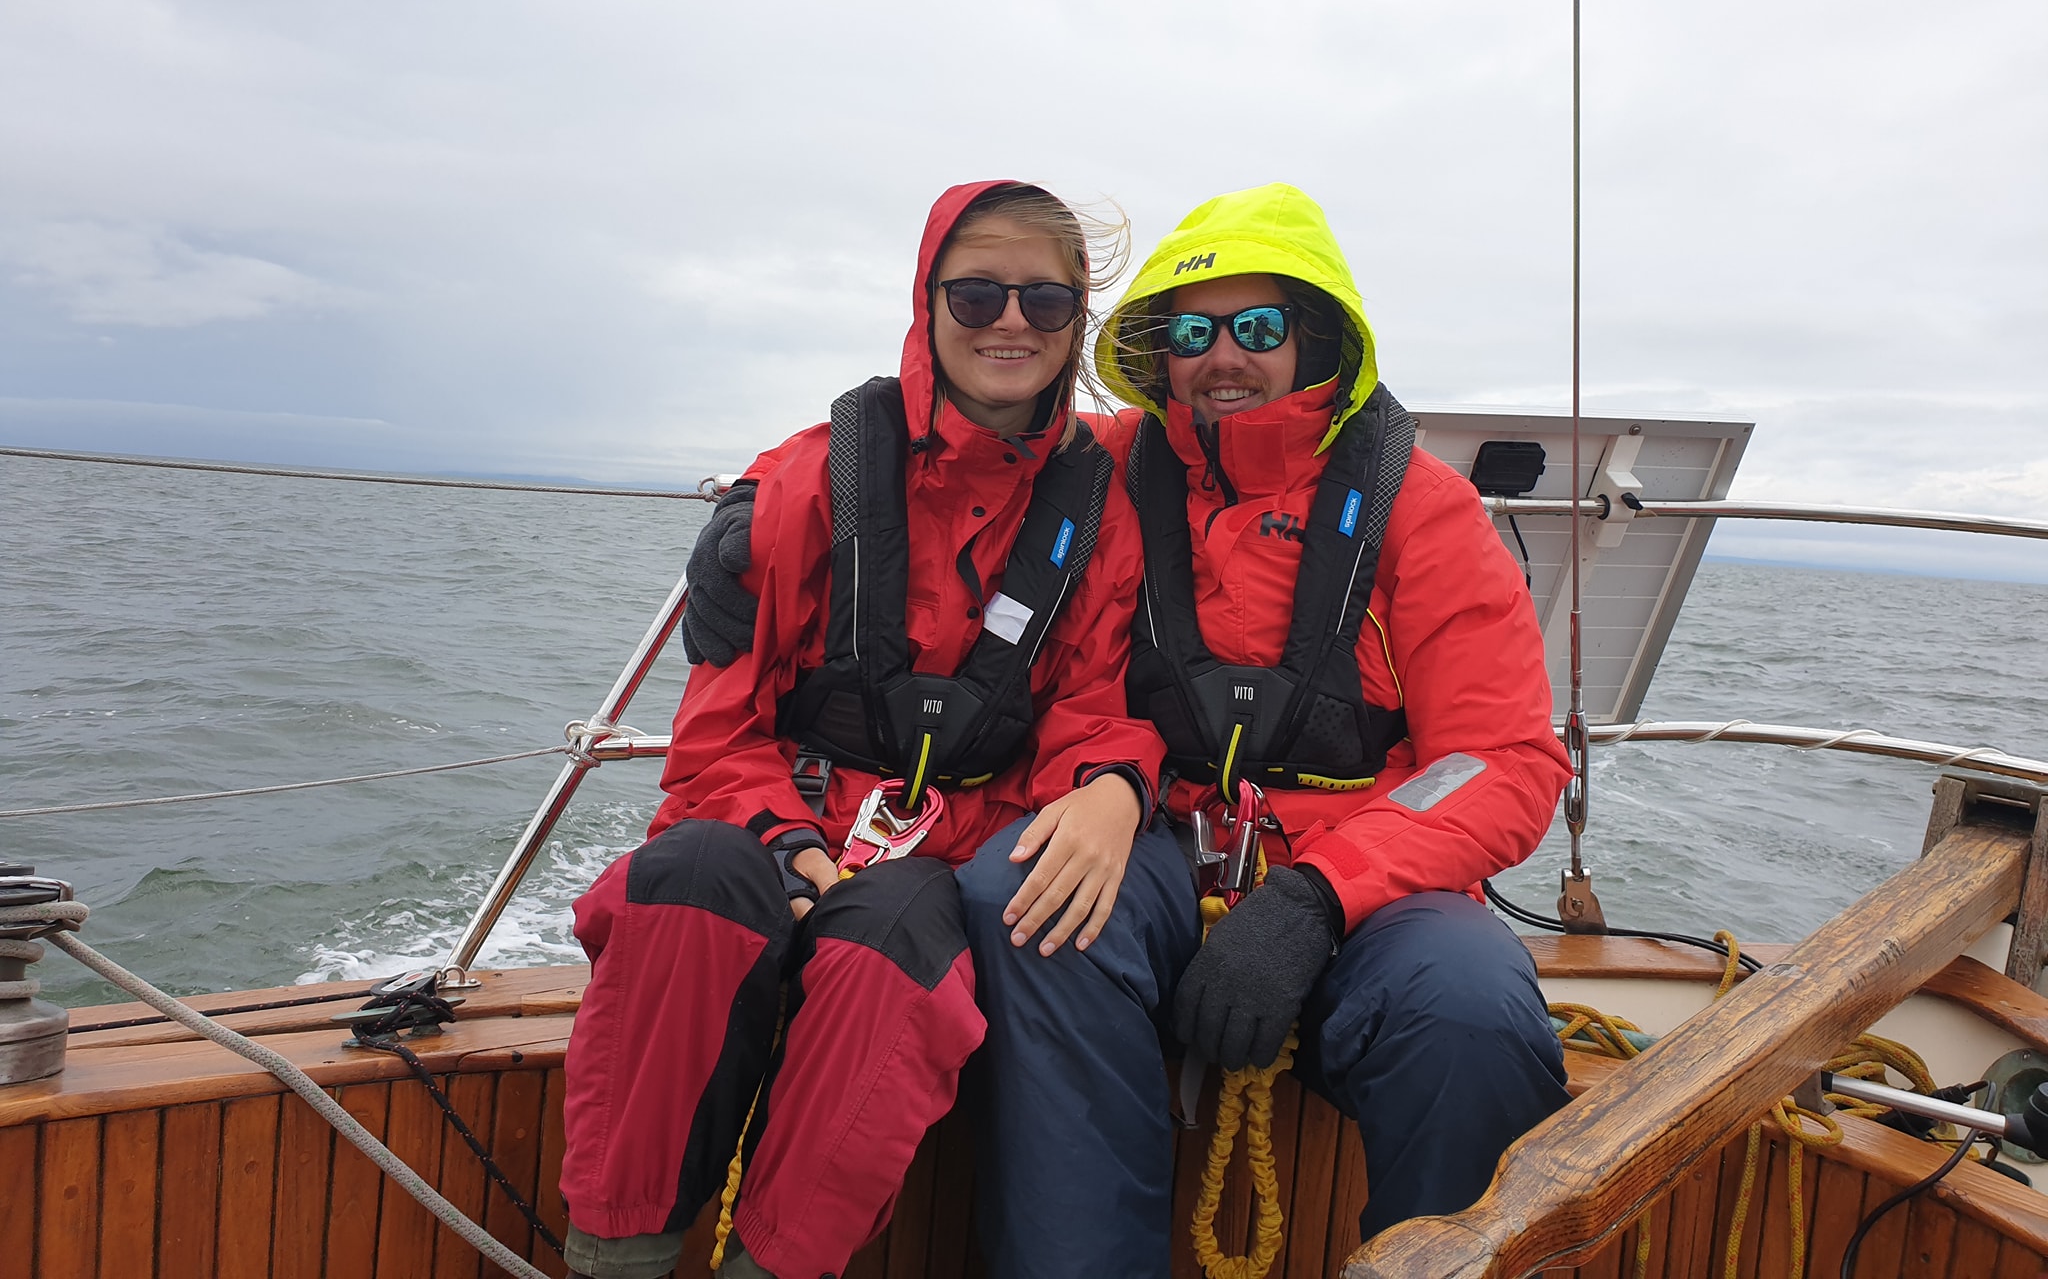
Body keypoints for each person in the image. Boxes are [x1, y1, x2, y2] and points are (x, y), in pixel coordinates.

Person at [683, 181, 1575, 1253]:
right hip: (1153, 839)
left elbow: (1499, 763)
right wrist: (748, 513)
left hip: (1369, 880)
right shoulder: (1107, 462)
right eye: (1191, 333)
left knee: (1471, 1009)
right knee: (1027, 904)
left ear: (1317, 339)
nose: (1223, 357)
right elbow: (958, 456)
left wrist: (1317, 899)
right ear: (1159, 352)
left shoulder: (1423, 511)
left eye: (1257, 328)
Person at [561, 181, 1199, 1279]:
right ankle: (614, 1255)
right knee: (687, 885)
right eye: (977, 294)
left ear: (1077, 323)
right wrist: (783, 838)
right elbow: (716, 735)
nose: (1010, 322)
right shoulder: (809, 480)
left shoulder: (1099, 509)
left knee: (888, 948)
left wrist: (1111, 782)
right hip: (770, 813)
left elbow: (1093, 699)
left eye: (1045, 303)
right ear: (925, 302)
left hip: (933, 845)